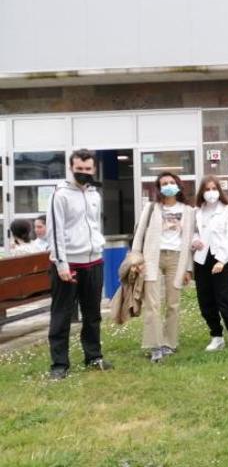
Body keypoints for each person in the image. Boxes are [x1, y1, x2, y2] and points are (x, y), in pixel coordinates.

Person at [45, 148, 112, 380]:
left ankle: (93, 356)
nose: (84, 172)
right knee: (62, 314)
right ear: (71, 168)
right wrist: (62, 265)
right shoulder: (60, 194)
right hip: (69, 264)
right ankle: (59, 364)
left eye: (87, 169)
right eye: (79, 169)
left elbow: (93, 226)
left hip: (94, 261)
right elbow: (55, 232)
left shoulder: (94, 193)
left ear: (93, 169)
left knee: (92, 313)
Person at [132, 172, 195, 363]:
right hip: (153, 258)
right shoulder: (151, 208)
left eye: (171, 182)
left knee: (173, 303)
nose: (168, 185)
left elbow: (190, 240)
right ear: (159, 188)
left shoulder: (188, 210)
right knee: (152, 303)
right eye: (164, 183)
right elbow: (139, 233)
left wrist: (188, 269)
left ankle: (169, 343)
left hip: (176, 259)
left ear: (177, 185)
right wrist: (136, 258)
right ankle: (155, 345)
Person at [191, 176, 228, 352]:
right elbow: (192, 233)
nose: (211, 193)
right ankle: (216, 336)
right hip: (202, 261)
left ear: (219, 190)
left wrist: (221, 260)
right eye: (207, 189)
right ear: (202, 192)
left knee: (225, 300)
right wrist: (194, 241)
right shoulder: (197, 212)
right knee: (205, 300)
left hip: (221, 261)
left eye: (213, 188)